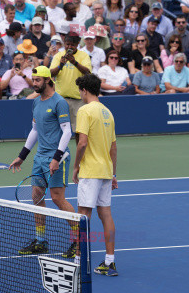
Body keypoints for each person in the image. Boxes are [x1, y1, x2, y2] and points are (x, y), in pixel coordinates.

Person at [9, 65, 77, 257]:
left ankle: (78, 240)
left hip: (57, 157)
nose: (34, 83)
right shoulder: (36, 102)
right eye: (34, 80)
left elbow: (67, 132)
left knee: (57, 198)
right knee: (36, 198)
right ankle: (40, 241)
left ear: (48, 80)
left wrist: (56, 158)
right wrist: (22, 156)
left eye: (37, 80)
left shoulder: (59, 102)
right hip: (40, 158)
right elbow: (35, 130)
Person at [73, 73, 118, 277]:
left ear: (84, 90)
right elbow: (113, 147)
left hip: (90, 171)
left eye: (80, 91)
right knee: (105, 214)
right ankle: (109, 262)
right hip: (106, 171)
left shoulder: (84, 110)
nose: (80, 95)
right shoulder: (108, 112)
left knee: (83, 215)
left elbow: (82, 143)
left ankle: (78, 260)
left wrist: (76, 167)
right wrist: (113, 173)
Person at [50, 33, 91, 134]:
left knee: (79, 131)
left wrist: (75, 62)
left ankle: (79, 150)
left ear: (77, 44)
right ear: (64, 43)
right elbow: (51, 73)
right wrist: (60, 65)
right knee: (59, 130)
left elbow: (88, 72)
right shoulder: (58, 56)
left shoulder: (83, 55)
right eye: (67, 44)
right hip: (61, 99)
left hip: (78, 100)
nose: (69, 47)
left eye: (72, 45)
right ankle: (61, 150)